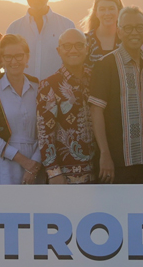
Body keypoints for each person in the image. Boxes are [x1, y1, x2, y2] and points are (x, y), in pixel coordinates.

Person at [87, 8, 143, 183]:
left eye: (139, 27)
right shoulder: (105, 65)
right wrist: (104, 154)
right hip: (116, 163)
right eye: (128, 28)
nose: (134, 32)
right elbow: (96, 111)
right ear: (119, 31)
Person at [37, 29, 101, 185]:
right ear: (59, 51)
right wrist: (53, 173)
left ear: (87, 48)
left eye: (79, 45)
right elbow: (45, 134)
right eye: (67, 46)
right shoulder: (49, 85)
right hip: (66, 176)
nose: (73, 50)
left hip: (100, 172)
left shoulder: (96, 79)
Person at [0, 34, 44, 185]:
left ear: (27, 57)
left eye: (19, 56)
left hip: (36, 160)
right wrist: (24, 161)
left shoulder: (39, 88)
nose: (14, 61)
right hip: (3, 162)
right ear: (2, 59)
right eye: (8, 57)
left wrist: (34, 163)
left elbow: (46, 130)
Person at [6, 0, 74, 82]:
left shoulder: (67, 26)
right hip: (23, 91)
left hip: (56, 91)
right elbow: (7, 65)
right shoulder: (14, 29)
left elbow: (73, 63)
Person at [81, 0, 124, 69]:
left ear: (119, 11)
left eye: (111, 9)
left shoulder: (125, 39)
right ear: (96, 13)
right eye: (102, 9)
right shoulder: (86, 40)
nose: (107, 13)